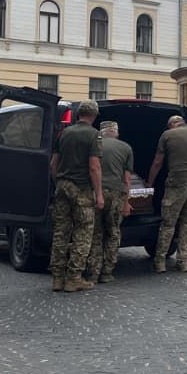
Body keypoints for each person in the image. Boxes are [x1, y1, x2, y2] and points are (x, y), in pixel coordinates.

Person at [49, 100, 104, 292]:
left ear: (78, 114)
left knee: (60, 232)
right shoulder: (93, 135)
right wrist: (98, 194)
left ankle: (57, 278)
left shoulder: (64, 133)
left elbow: (53, 164)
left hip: (62, 187)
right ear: (95, 115)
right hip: (81, 188)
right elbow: (94, 166)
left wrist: (59, 183)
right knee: (83, 232)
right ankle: (74, 277)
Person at [148, 115, 187, 273]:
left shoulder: (167, 135)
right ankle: (183, 262)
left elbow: (157, 162)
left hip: (177, 182)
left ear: (171, 125)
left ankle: (160, 262)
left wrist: (149, 183)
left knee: (168, 223)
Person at [84, 121, 132, 285]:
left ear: (101, 132)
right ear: (116, 132)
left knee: (95, 234)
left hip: (94, 192)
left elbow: (90, 168)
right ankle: (107, 272)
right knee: (113, 233)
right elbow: (126, 179)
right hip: (116, 194)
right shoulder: (126, 147)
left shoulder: (93, 144)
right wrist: (126, 202)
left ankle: (92, 273)